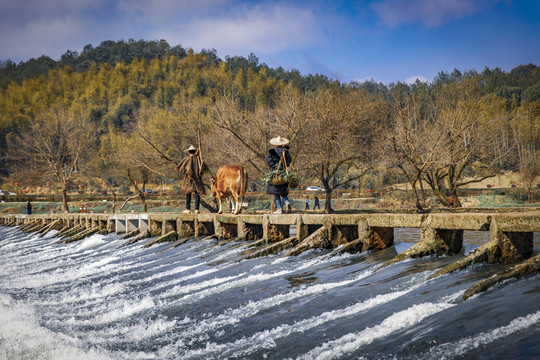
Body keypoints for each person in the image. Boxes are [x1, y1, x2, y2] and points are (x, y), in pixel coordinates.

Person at [175, 145, 209, 214]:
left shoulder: (186, 159)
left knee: (188, 194)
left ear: (188, 152)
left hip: (188, 179)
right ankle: (197, 209)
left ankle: (188, 209)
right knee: (197, 194)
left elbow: (179, 167)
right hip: (197, 179)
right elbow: (204, 168)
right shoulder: (198, 159)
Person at [266, 136, 292, 214]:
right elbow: (289, 161)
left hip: (275, 175)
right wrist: (283, 166)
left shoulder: (272, 152)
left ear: (275, 144)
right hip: (284, 173)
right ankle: (287, 202)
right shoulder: (286, 152)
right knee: (283, 191)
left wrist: (274, 166)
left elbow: (268, 161)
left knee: (276, 192)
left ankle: (279, 208)